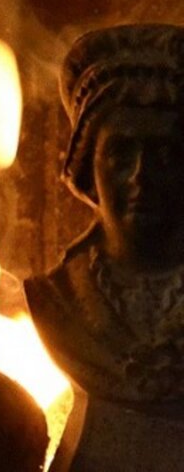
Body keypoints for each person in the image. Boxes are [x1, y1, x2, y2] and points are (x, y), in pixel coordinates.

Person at [26, 24, 184, 414]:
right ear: (86, 168)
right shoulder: (58, 301)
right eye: (121, 155)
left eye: (164, 156)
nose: (140, 177)